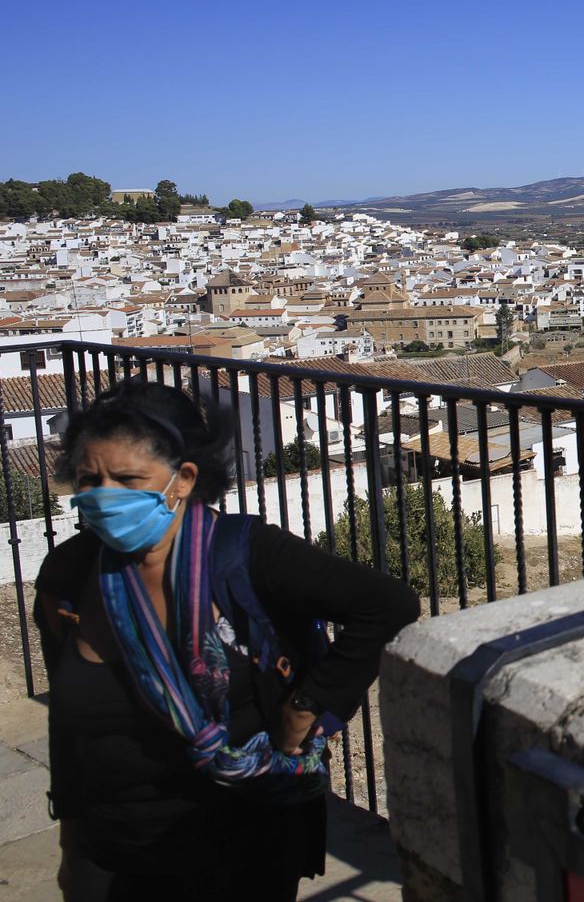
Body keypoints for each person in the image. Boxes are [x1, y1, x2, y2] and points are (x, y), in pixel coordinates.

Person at [33, 378, 420, 900]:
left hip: (240, 844)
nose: (106, 496)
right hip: (112, 849)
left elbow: (387, 604)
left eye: (127, 479)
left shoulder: (244, 556)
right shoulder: (71, 576)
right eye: (90, 480)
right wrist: (71, 846)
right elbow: (67, 727)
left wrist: (306, 707)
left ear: (183, 479)